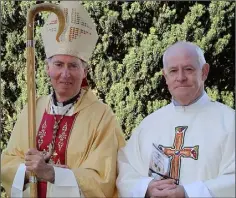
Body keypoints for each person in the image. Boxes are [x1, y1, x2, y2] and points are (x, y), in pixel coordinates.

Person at [1, 1, 125, 197]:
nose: (65, 74)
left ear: (84, 71)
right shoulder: (33, 109)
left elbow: (104, 180)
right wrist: (27, 170)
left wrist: (52, 173)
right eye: (58, 64)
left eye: (73, 66)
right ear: (47, 68)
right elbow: (7, 162)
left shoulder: (101, 116)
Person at [116, 41, 235, 197]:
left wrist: (189, 193)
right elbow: (126, 169)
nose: (181, 77)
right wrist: (147, 187)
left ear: (204, 72)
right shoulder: (149, 125)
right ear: (165, 76)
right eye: (173, 71)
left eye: (188, 69)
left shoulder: (230, 122)